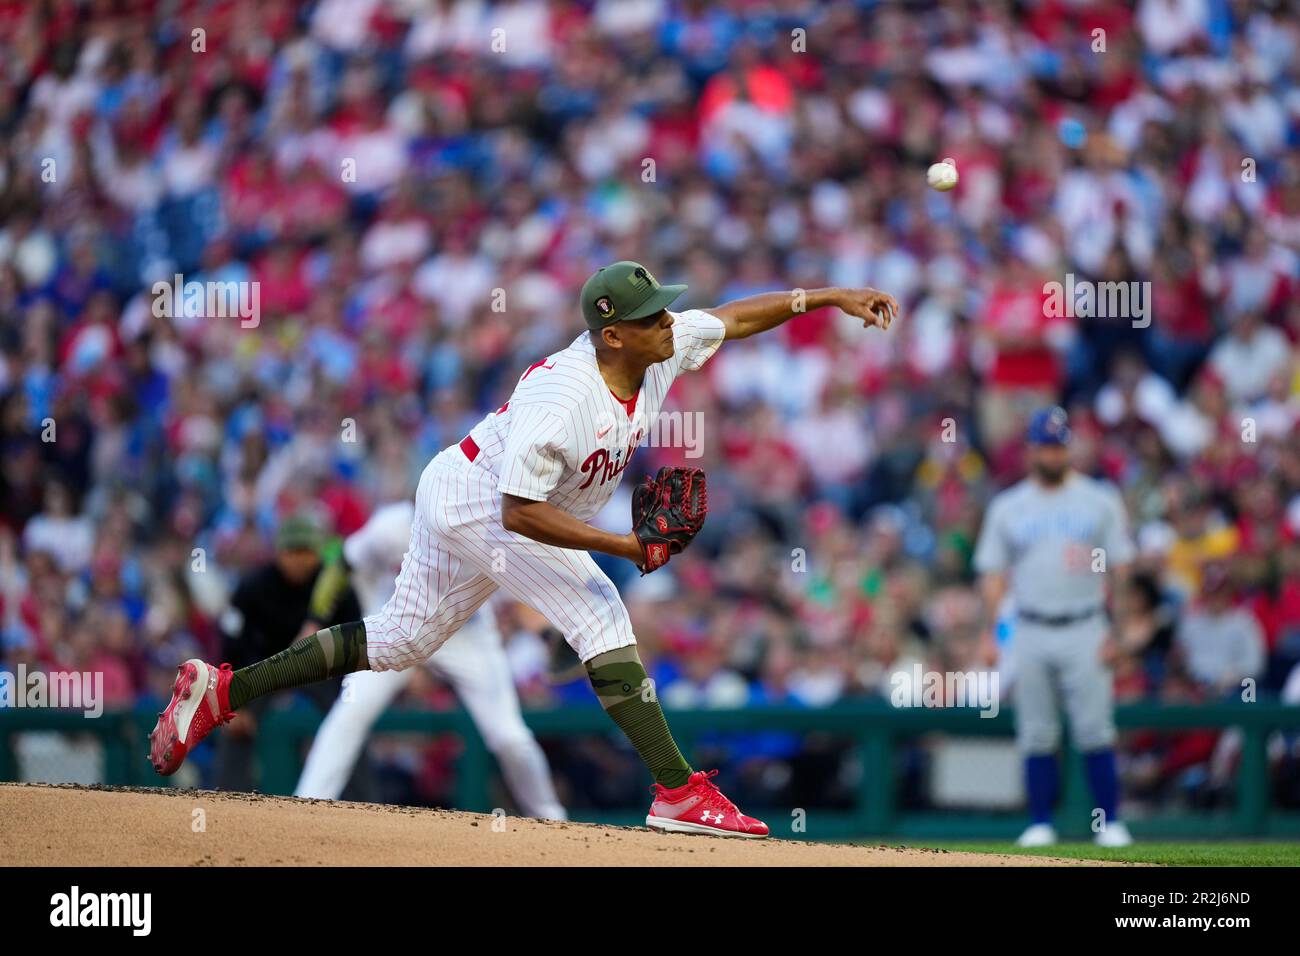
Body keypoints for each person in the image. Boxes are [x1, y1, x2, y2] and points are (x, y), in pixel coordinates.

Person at [148, 260, 897, 838]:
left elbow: (731, 318)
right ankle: (678, 792)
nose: (668, 320)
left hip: (460, 485)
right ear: (613, 334)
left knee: (401, 639)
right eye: (649, 316)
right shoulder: (565, 399)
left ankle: (222, 691)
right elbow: (520, 511)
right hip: (486, 503)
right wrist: (622, 546)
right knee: (601, 611)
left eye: (663, 307)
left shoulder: (658, 346)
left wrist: (828, 298)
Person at [293, 499, 566, 820]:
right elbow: (343, 561)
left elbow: (521, 597)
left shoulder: (485, 535)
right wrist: (313, 620)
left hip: (466, 635)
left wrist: (547, 637)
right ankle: (305, 806)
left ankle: (551, 818)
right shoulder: (391, 527)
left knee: (509, 737)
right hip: (396, 624)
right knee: (351, 711)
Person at [974, 407, 1137, 848]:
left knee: (1096, 728)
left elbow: (1120, 570)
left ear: (1069, 447)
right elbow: (992, 576)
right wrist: (990, 633)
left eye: (1058, 444)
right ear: (1030, 449)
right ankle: (1041, 821)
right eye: (1044, 445)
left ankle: (1110, 822)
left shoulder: (1099, 498)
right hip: (1028, 626)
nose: (1051, 453)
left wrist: (1117, 632)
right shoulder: (1009, 505)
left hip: (1085, 622)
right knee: (1037, 729)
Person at [216, 513, 364, 794]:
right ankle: (228, 798)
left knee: (350, 719)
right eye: (291, 552)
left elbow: (356, 639)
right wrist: (231, 697)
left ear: (317, 552)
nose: (298, 559)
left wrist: (349, 692)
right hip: (264, 667)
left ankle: (363, 802)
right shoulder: (253, 586)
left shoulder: (335, 587)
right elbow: (230, 639)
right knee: (234, 720)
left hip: (320, 670)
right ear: (278, 553)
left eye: (305, 551)